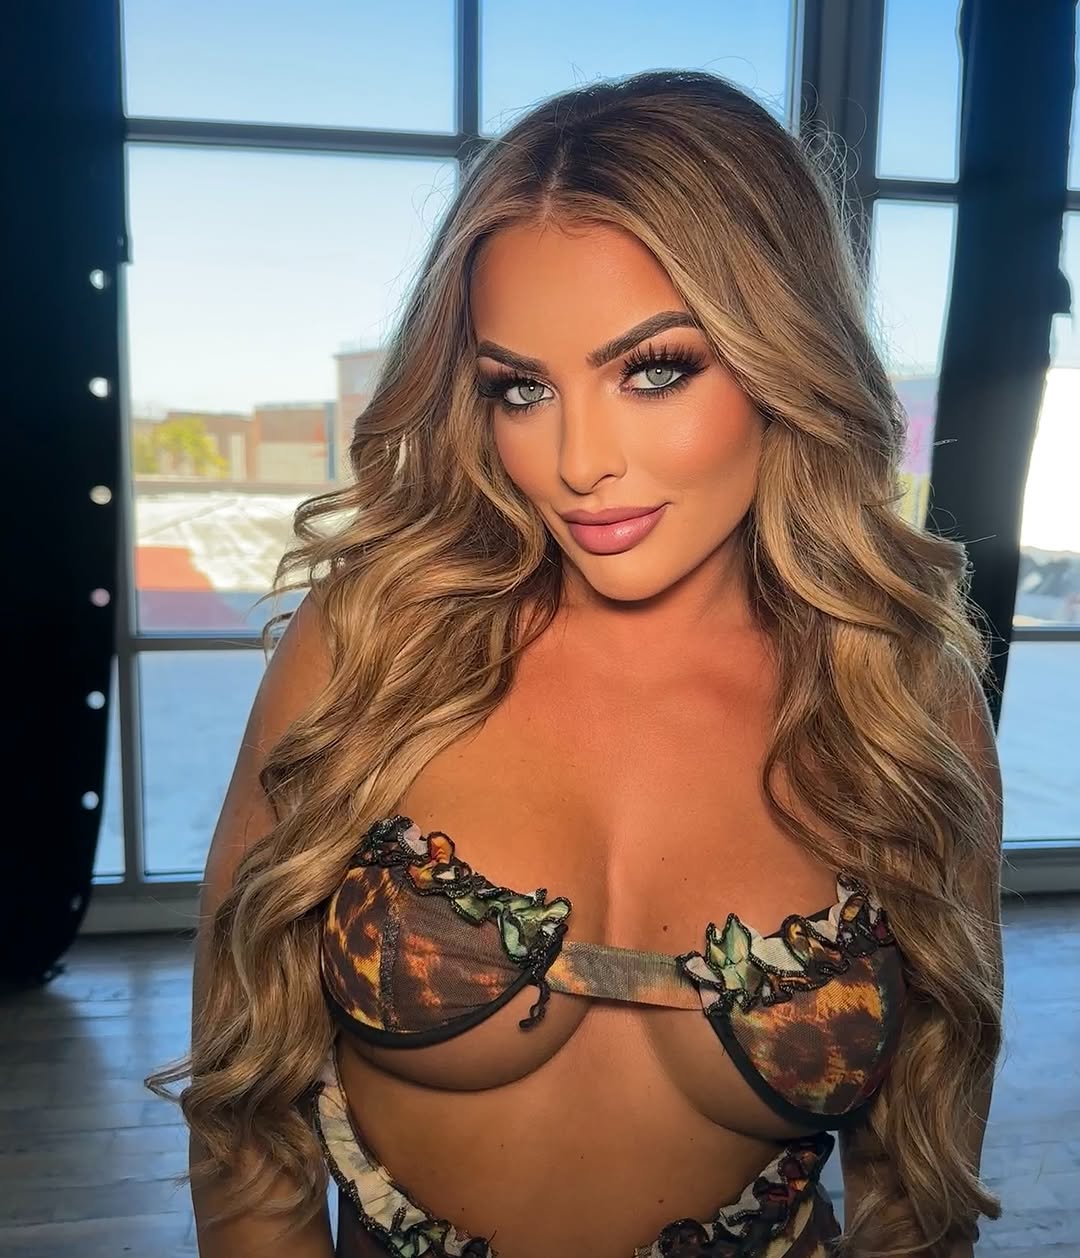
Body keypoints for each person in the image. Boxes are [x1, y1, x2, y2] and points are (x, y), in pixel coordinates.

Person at [147, 68, 1005, 1258]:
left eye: (654, 369)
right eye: (520, 387)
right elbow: (246, 1113)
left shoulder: (897, 697)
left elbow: (919, 1187)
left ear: (785, 356)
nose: (577, 460)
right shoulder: (379, 643)